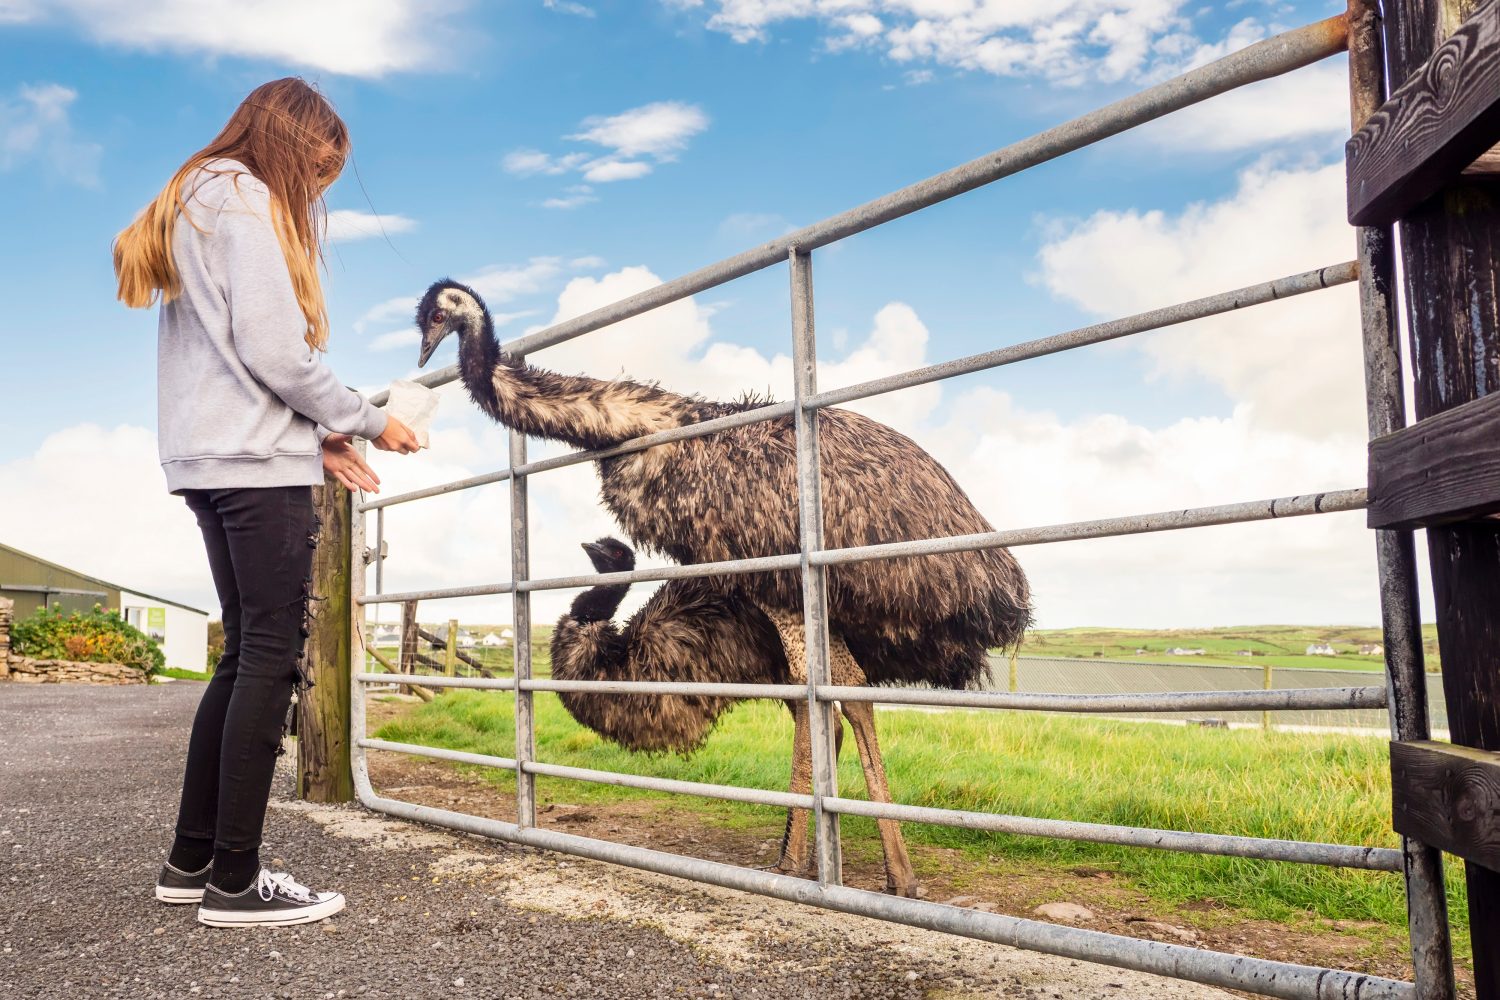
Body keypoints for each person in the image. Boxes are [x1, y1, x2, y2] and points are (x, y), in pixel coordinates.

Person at [113, 78, 420, 928]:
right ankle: (237, 882)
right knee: (271, 657)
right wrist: (369, 419)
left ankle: (193, 862)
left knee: (242, 652)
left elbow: (226, 361)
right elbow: (276, 352)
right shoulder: (243, 199)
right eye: (317, 170)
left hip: (212, 458)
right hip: (253, 468)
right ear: (289, 143)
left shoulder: (194, 198)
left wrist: (313, 442)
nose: (315, 190)